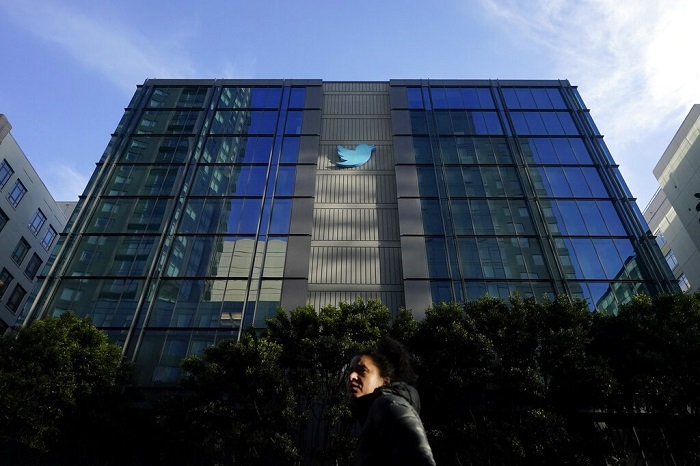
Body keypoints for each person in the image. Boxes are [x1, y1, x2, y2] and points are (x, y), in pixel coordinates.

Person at [347, 337, 436, 465]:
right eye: (350, 371)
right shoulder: (376, 414)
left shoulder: (387, 404)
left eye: (362, 371)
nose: (351, 377)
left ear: (385, 381)